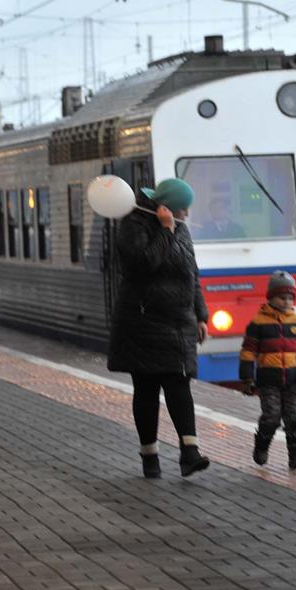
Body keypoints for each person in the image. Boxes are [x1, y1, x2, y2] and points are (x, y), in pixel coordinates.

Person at [107, 177, 211, 479]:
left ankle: (189, 452)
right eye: (182, 210)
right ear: (165, 207)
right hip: (143, 322)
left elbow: (191, 273)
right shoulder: (133, 227)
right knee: (147, 389)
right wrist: (166, 231)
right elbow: (144, 264)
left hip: (178, 322)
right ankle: (149, 454)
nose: (186, 216)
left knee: (179, 383)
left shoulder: (181, 230)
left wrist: (201, 314)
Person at [239, 271, 296, 470]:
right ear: (271, 297)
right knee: (271, 416)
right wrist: (247, 378)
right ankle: (261, 445)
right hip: (268, 381)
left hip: (294, 380)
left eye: (290, 298)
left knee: (293, 417)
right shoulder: (258, 324)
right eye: (282, 298)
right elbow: (248, 352)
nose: (287, 302)